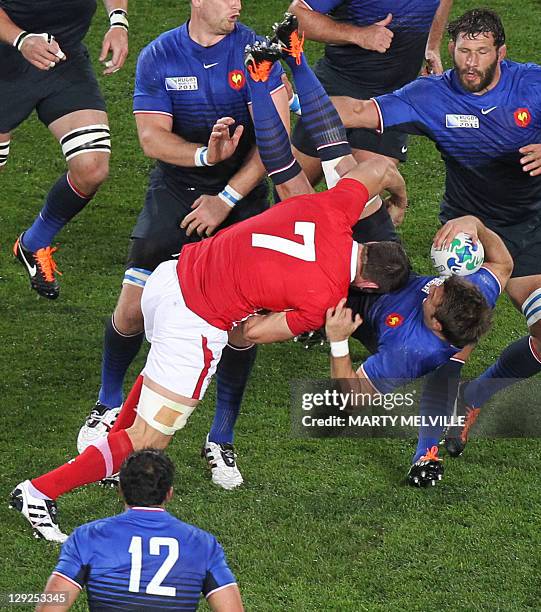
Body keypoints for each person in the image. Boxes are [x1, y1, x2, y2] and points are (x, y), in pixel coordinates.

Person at [10, 38, 412, 541]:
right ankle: (40, 492)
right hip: (193, 324)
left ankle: (107, 447)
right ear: (368, 282)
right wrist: (309, 328)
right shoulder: (322, 302)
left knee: (148, 395)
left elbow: (378, 169)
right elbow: (251, 334)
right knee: (146, 440)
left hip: (169, 276)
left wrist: (399, 200)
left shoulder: (333, 208)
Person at [76, 0, 291, 492]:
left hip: (241, 196)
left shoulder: (257, 53)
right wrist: (203, 155)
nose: (237, 4)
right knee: (131, 309)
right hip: (177, 189)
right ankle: (109, 404)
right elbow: (152, 138)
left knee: (243, 326)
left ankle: (221, 436)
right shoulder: (160, 55)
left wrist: (228, 197)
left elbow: (277, 139)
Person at [332, 8, 541, 458]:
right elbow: (358, 111)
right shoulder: (431, 94)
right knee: (451, 340)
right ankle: (427, 451)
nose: (471, 61)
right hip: (466, 233)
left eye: (482, 51)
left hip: (533, 226)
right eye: (463, 50)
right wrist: (283, 95)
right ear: (451, 48)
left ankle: (474, 399)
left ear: (500, 53)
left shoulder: (532, 85)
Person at [324, 215, 513, 486]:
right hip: (394, 271)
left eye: (433, 296)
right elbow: (504, 264)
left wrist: (338, 340)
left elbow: (353, 398)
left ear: (436, 323)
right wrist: (477, 225)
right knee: (367, 202)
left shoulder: (408, 352)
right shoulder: (476, 291)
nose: (435, 285)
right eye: (441, 284)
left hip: (355, 303)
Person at [1, 0, 129, 299]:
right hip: (4, 58)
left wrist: (118, 22)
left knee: (92, 167)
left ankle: (33, 243)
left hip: (62, 57)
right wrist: (22, 39)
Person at [36, 450, 243, 611]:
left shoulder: (87, 537)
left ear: (120, 490)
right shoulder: (203, 544)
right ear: (169, 493)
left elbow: (53, 602)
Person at [287, 0, 453, 186]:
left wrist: (432, 47)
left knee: (361, 201)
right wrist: (359, 35)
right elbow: (296, 16)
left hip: (391, 98)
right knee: (294, 193)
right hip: (338, 86)